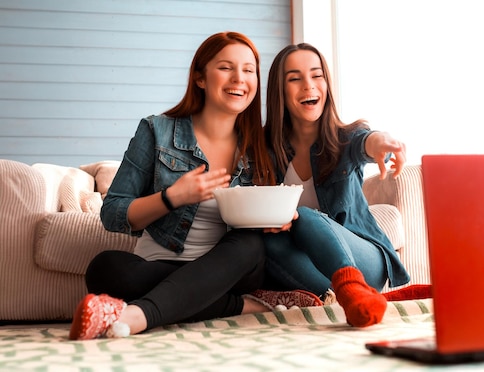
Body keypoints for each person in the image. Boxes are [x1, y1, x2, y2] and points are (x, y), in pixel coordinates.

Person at [69, 32, 322, 341]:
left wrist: (279, 220)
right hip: (160, 263)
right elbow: (113, 212)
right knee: (104, 268)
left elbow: (276, 210)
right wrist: (173, 197)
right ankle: (241, 306)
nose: (239, 78)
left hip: (233, 267)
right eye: (226, 67)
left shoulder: (261, 147)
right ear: (200, 78)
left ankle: (139, 315)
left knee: (251, 244)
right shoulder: (156, 131)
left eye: (248, 69)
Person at [262, 43, 428, 328]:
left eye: (317, 76)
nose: (308, 86)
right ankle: (339, 298)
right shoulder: (264, 150)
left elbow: (367, 140)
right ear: (279, 90)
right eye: (294, 78)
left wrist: (382, 144)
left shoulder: (345, 138)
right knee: (263, 244)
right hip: (314, 267)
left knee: (306, 218)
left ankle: (354, 290)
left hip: (363, 260)